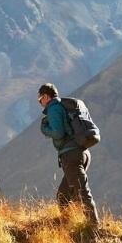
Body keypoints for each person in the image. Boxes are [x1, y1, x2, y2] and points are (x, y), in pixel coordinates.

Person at [38, 83, 99, 224]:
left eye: (40, 99)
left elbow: (58, 134)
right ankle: (69, 228)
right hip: (82, 153)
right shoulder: (64, 107)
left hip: (71, 155)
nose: (40, 103)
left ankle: (94, 228)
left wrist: (45, 129)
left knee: (82, 194)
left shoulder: (53, 109)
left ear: (46, 96)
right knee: (63, 196)